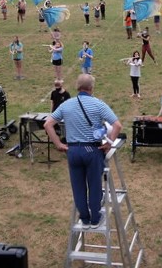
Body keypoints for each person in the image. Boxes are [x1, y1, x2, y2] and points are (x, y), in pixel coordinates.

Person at [44, 74, 123, 230]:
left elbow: (48, 124)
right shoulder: (98, 104)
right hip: (91, 150)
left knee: (78, 186)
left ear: (77, 87)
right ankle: (95, 218)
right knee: (94, 185)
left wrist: (59, 143)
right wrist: (109, 142)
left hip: (73, 150)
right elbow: (117, 126)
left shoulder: (66, 105)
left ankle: (84, 218)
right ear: (91, 88)